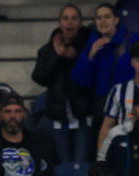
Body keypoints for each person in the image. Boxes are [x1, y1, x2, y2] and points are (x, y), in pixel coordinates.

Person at [31, 4, 96, 166]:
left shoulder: (89, 47)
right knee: (64, 165)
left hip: (83, 113)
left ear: (80, 23)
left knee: (81, 164)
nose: (70, 23)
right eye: (65, 18)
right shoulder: (48, 50)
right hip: (59, 115)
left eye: (74, 18)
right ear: (60, 23)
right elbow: (39, 77)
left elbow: (91, 76)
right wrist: (57, 57)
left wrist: (74, 57)